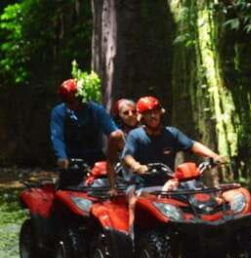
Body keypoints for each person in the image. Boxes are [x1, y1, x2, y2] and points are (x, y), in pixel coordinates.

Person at [121, 96, 225, 226]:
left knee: (198, 197)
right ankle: (133, 238)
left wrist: (215, 156)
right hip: (142, 185)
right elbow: (127, 156)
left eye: (155, 111)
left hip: (170, 184)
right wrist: (137, 166)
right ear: (142, 117)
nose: (153, 116)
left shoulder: (172, 133)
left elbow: (192, 145)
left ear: (160, 113)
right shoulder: (135, 135)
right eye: (148, 113)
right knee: (133, 202)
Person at [50, 78, 124, 187]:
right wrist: (61, 156)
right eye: (68, 102)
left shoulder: (96, 110)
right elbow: (57, 137)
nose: (72, 105)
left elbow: (112, 130)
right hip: (71, 158)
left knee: (108, 178)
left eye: (74, 101)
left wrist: (124, 152)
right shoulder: (58, 112)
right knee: (68, 181)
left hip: (95, 154)